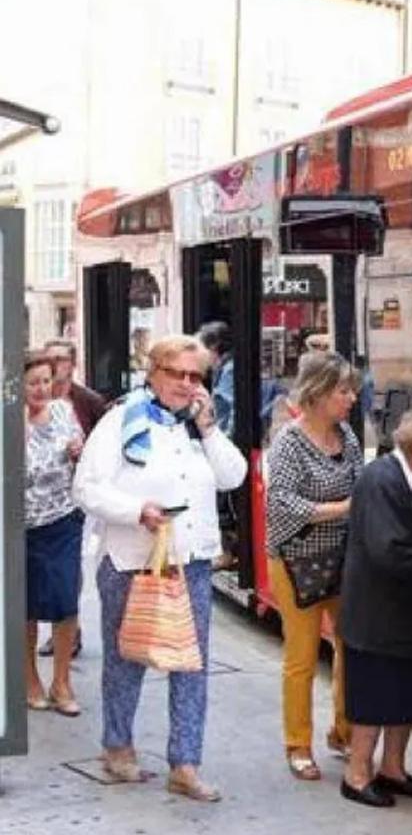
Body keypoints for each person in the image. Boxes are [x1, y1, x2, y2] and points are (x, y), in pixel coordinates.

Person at [73, 334, 247, 800]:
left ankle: (185, 763)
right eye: (179, 374)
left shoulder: (196, 426)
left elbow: (234, 477)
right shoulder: (120, 420)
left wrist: (210, 429)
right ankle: (118, 747)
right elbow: (86, 488)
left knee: (191, 665)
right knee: (126, 657)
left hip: (188, 561)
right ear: (154, 373)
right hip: (132, 559)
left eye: (197, 376)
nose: (188, 385)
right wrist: (137, 511)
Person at [338, 409, 412, 808]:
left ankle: (392, 769)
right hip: (378, 617)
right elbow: (388, 552)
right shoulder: (381, 481)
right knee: (374, 699)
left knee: (407, 697)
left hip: (408, 615)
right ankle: (356, 775)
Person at [266, 350, 360, 781]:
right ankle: (297, 744)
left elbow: (361, 483)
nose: (352, 398)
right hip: (295, 561)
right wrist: (342, 508)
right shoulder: (288, 441)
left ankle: (343, 731)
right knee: (301, 657)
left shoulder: (348, 437)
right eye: (343, 390)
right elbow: (281, 502)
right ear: (319, 393)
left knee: (350, 649)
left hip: (342, 559)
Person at [24, 350, 85, 716]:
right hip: (22, 525)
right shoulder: (10, 417)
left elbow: (79, 446)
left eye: (47, 381)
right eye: (34, 382)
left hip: (62, 520)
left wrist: (78, 450)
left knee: (66, 601)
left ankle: (62, 682)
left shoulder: (63, 410)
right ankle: (29, 678)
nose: (42, 389)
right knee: (26, 605)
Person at [40, 338, 107, 659]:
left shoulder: (89, 401)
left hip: (79, 496)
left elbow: (105, 447)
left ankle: (69, 628)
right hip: (40, 499)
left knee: (72, 564)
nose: (54, 365)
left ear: (73, 363)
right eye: (49, 358)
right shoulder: (35, 397)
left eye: (61, 359)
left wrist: (84, 454)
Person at [196, 321, 235, 435]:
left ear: (213, 347)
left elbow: (236, 411)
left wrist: (227, 442)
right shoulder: (221, 370)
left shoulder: (229, 371)